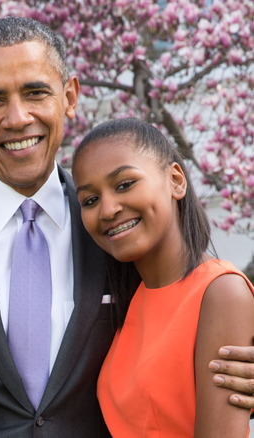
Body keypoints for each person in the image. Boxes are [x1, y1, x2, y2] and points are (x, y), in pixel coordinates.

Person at [0, 15, 254, 437]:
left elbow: (187, 318)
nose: (17, 118)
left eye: (36, 92)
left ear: (69, 96)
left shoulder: (118, 230)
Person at [72, 117, 254, 437]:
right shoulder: (129, 301)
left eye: (124, 184)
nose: (108, 209)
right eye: (90, 200)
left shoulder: (221, 292)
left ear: (175, 180)